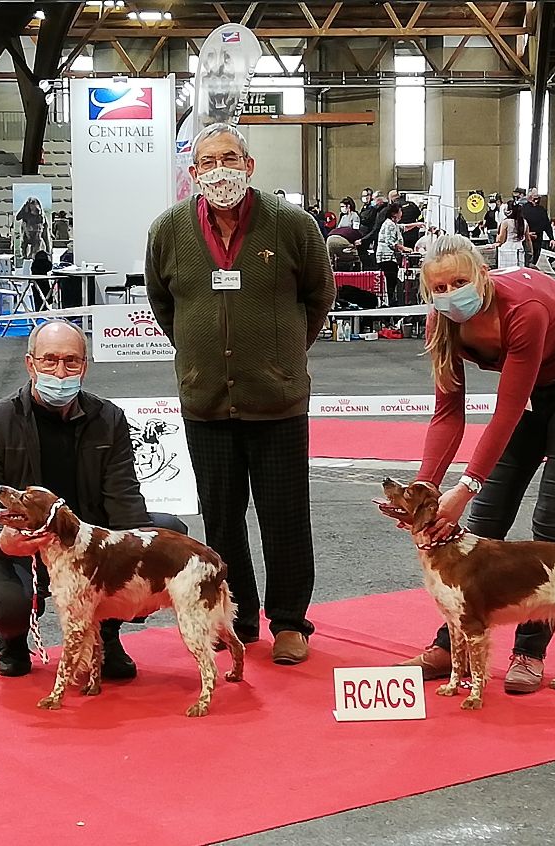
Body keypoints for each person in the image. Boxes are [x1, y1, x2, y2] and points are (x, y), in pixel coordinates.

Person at [383, 234, 555, 693]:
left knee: (550, 519)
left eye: (459, 281)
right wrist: (425, 492)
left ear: (483, 276)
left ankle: (529, 651)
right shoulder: (442, 322)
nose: (450, 293)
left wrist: (465, 484)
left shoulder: (522, 310)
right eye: (440, 288)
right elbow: (447, 415)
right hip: (532, 396)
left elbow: (506, 413)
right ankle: (453, 643)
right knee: (487, 514)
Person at [145, 122, 336, 665]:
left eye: (229, 159)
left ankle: (291, 622)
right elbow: (165, 303)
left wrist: (284, 356)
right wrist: (197, 355)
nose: (219, 170)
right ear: (193, 172)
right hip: (204, 405)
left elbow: (318, 296)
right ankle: (239, 617)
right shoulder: (168, 230)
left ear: (249, 166)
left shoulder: (292, 225)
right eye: (207, 162)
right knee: (221, 520)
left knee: (285, 517)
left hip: (277, 404)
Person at [0, 319, 188, 678]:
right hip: (25, 545)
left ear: (85, 365)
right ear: (30, 363)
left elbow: (124, 496)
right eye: (49, 360)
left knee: (168, 535)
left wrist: (140, 556)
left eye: (71, 361)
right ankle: (13, 638)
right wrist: (2, 541)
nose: (60, 371)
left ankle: (105, 635)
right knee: (7, 605)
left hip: (90, 543)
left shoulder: (109, 418)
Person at [376, 201, 410, 306]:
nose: (401, 213)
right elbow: (390, 242)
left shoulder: (394, 224)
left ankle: (390, 300)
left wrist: (417, 224)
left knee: (391, 281)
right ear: (394, 213)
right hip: (386, 258)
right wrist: (404, 248)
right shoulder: (389, 224)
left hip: (389, 258)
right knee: (390, 281)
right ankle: (390, 302)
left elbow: (403, 227)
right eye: (400, 211)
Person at [520, 188, 554, 267]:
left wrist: (551, 238)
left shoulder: (542, 210)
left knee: (536, 257)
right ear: (529, 197)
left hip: (538, 237)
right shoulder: (523, 209)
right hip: (527, 237)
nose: (536, 200)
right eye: (534, 197)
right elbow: (520, 224)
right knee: (527, 258)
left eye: (537, 197)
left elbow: (547, 225)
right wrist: (527, 234)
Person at [495, 199, 526, 267]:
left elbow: (501, 240)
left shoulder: (506, 222)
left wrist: (497, 237)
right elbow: (528, 239)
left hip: (507, 250)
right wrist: (530, 252)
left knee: (506, 273)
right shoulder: (524, 222)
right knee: (518, 273)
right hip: (519, 248)